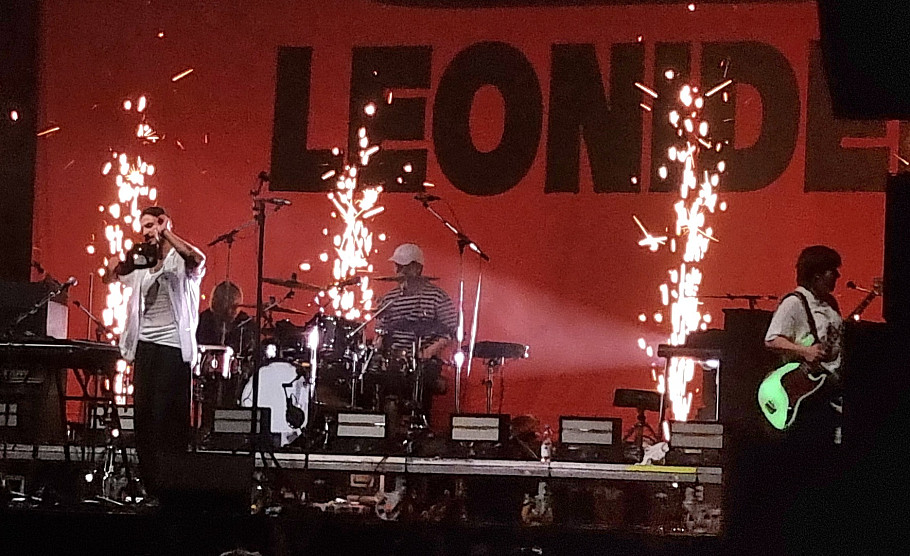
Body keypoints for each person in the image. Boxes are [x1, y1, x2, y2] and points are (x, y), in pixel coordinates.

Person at [106, 206, 205, 497]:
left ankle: (169, 486)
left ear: (164, 223)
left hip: (172, 346)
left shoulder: (179, 260)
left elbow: (197, 259)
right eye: (144, 227)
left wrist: (167, 234)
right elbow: (110, 276)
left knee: (165, 417)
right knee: (144, 417)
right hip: (145, 346)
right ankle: (150, 487)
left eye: (151, 225)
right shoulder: (142, 262)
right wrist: (119, 262)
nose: (147, 232)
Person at [374, 243, 458, 429]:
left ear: (417, 268)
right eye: (397, 265)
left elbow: (450, 330)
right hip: (395, 359)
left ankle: (417, 427)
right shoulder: (390, 298)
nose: (399, 270)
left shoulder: (437, 296)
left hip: (425, 360)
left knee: (419, 380)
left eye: (403, 266)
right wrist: (377, 348)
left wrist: (426, 353)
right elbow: (381, 330)